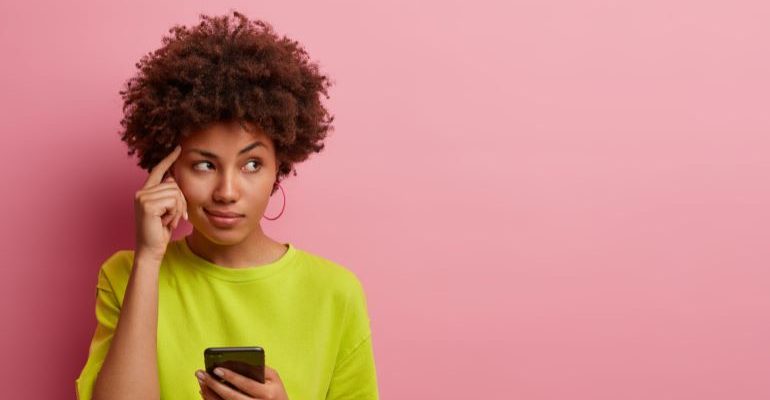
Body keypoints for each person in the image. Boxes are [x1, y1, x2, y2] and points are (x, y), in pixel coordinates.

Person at [75, 10, 379, 400]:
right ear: (171, 171)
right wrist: (149, 258)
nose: (227, 191)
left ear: (278, 169)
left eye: (252, 164)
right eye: (204, 164)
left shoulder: (336, 293)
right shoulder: (125, 276)